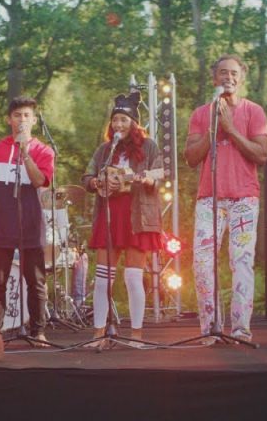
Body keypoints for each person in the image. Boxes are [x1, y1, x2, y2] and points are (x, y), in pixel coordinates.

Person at [185, 54, 267, 343]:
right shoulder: (200, 114)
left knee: (241, 262)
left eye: (233, 73)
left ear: (241, 78)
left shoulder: (254, 111)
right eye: (222, 73)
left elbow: (261, 155)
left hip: (244, 197)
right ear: (214, 78)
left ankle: (240, 329)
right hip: (209, 198)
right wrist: (213, 127)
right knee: (202, 263)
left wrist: (231, 129)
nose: (228, 77)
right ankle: (211, 329)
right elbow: (191, 158)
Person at [81, 92, 165, 344]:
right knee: (102, 279)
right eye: (115, 120)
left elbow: (160, 174)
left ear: (134, 123)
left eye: (124, 120)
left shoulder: (149, 147)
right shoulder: (106, 149)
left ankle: (136, 333)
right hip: (110, 215)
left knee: (132, 276)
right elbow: (87, 177)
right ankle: (99, 333)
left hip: (138, 217)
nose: (118, 125)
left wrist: (146, 178)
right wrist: (97, 182)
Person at [0, 96, 54, 344]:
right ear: (9, 119)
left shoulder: (43, 150)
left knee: (36, 281)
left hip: (30, 223)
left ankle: (37, 330)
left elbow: (40, 181)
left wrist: (25, 153)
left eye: (27, 115)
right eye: (17, 115)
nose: (22, 120)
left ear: (34, 120)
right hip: (0, 224)